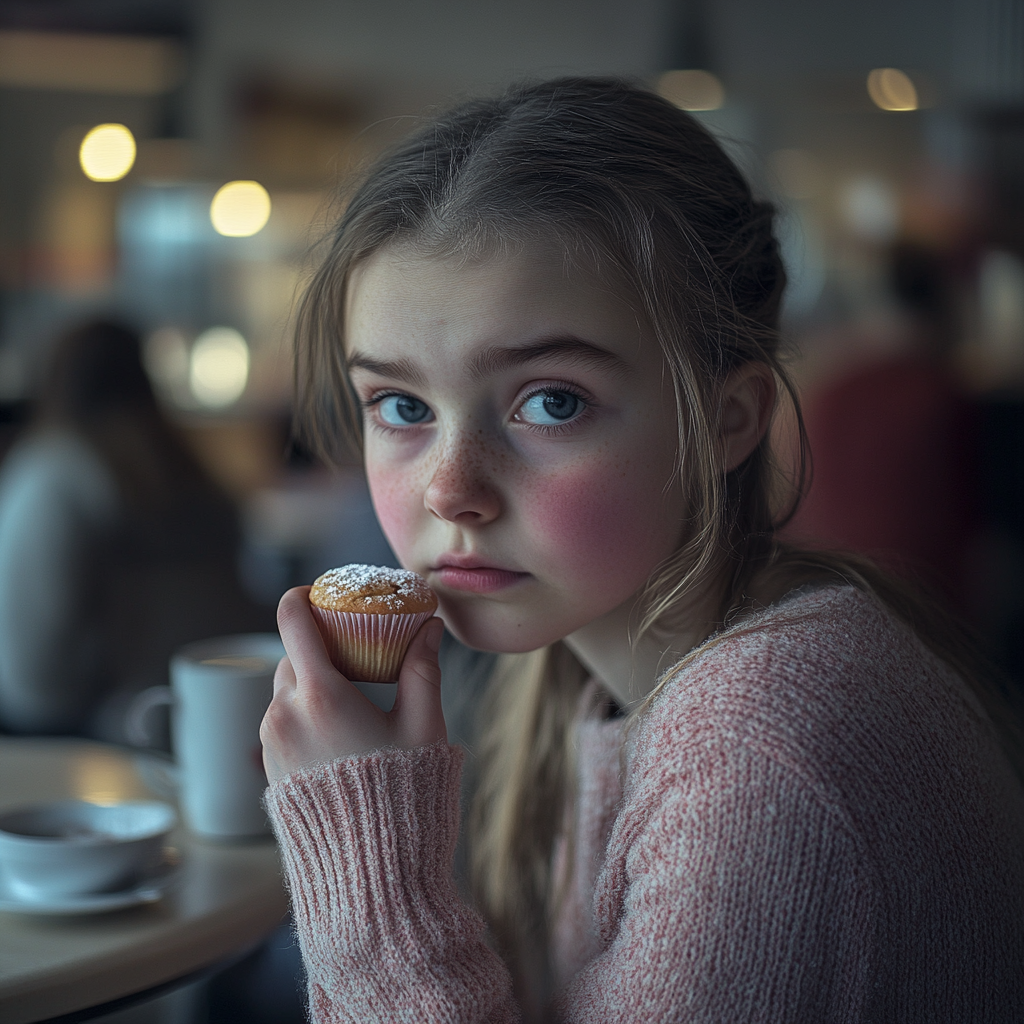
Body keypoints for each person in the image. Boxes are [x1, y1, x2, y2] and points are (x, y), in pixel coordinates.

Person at [258, 79, 1024, 1022]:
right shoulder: (585, 687)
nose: (449, 490)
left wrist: (372, 877)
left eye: (551, 401)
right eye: (403, 407)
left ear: (730, 417)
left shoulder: (759, 756)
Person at [0, 317, 267, 740]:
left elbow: (33, 682)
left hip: (116, 730)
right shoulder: (192, 469)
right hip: (228, 706)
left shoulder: (51, 478)